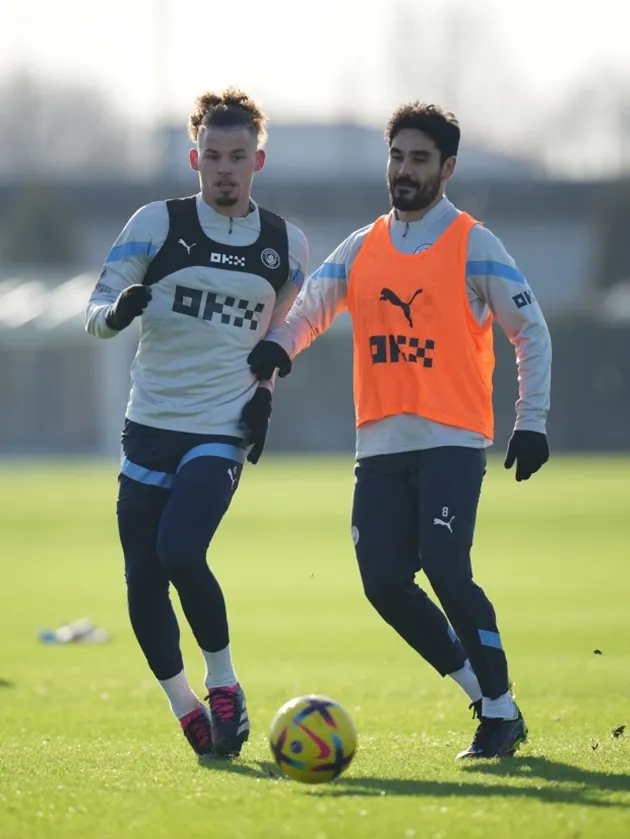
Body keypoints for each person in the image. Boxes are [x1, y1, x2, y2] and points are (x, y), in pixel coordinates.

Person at [248, 102, 551, 759]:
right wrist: (280, 350)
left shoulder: (474, 242)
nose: (404, 170)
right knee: (384, 582)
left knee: (445, 565)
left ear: (447, 167)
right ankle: (485, 694)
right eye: (396, 157)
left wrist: (532, 420)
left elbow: (530, 329)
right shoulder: (362, 247)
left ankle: (499, 710)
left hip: (452, 439)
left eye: (419, 159)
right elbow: (307, 311)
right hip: (380, 448)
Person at [85, 88, 309, 758]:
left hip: (221, 426)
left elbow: (285, 326)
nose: (224, 168)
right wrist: (120, 312)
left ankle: (224, 683)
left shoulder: (284, 243)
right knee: (142, 577)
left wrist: (266, 387)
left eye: (238, 156)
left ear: (257, 160)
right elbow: (96, 308)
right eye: (213, 156)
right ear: (195, 158)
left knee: (181, 550)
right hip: (149, 423)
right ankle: (186, 707)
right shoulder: (156, 223)